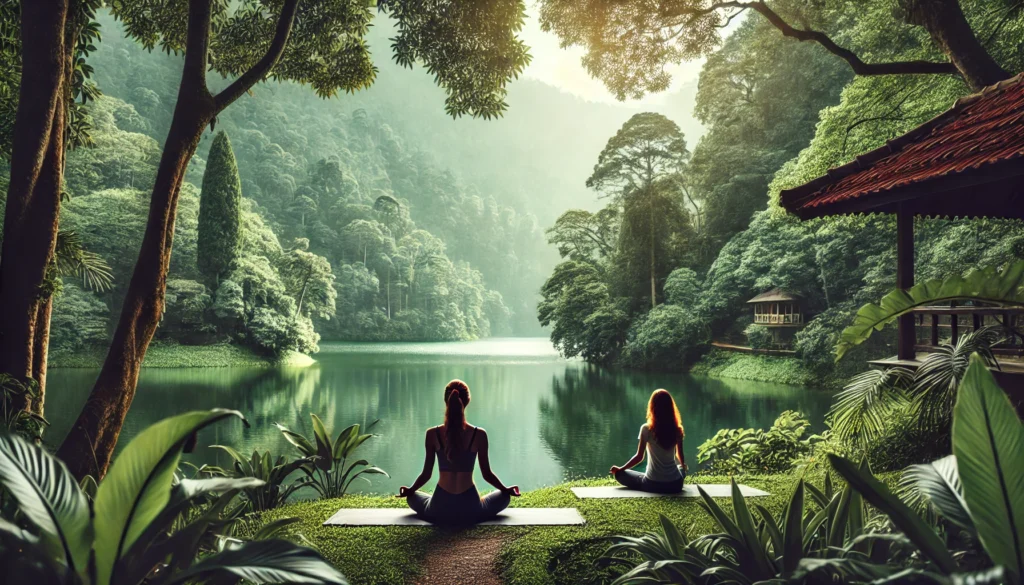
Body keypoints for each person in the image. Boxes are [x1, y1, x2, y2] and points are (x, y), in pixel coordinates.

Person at [398, 379, 521, 524]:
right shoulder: (479, 434)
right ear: (467, 401)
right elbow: (487, 474)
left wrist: (411, 490)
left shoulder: (432, 434)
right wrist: (505, 489)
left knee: (412, 497)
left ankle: (435, 507)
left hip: (439, 508)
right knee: (504, 497)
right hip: (471, 509)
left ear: (446, 400)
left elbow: (426, 474)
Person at [609, 388, 687, 493]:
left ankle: (630, 475)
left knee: (620, 474)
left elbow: (639, 457)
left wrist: (620, 469)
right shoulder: (677, 429)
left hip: (652, 484)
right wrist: (683, 466)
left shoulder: (646, 429)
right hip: (676, 484)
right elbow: (680, 456)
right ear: (670, 408)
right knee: (681, 468)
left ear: (652, 407)